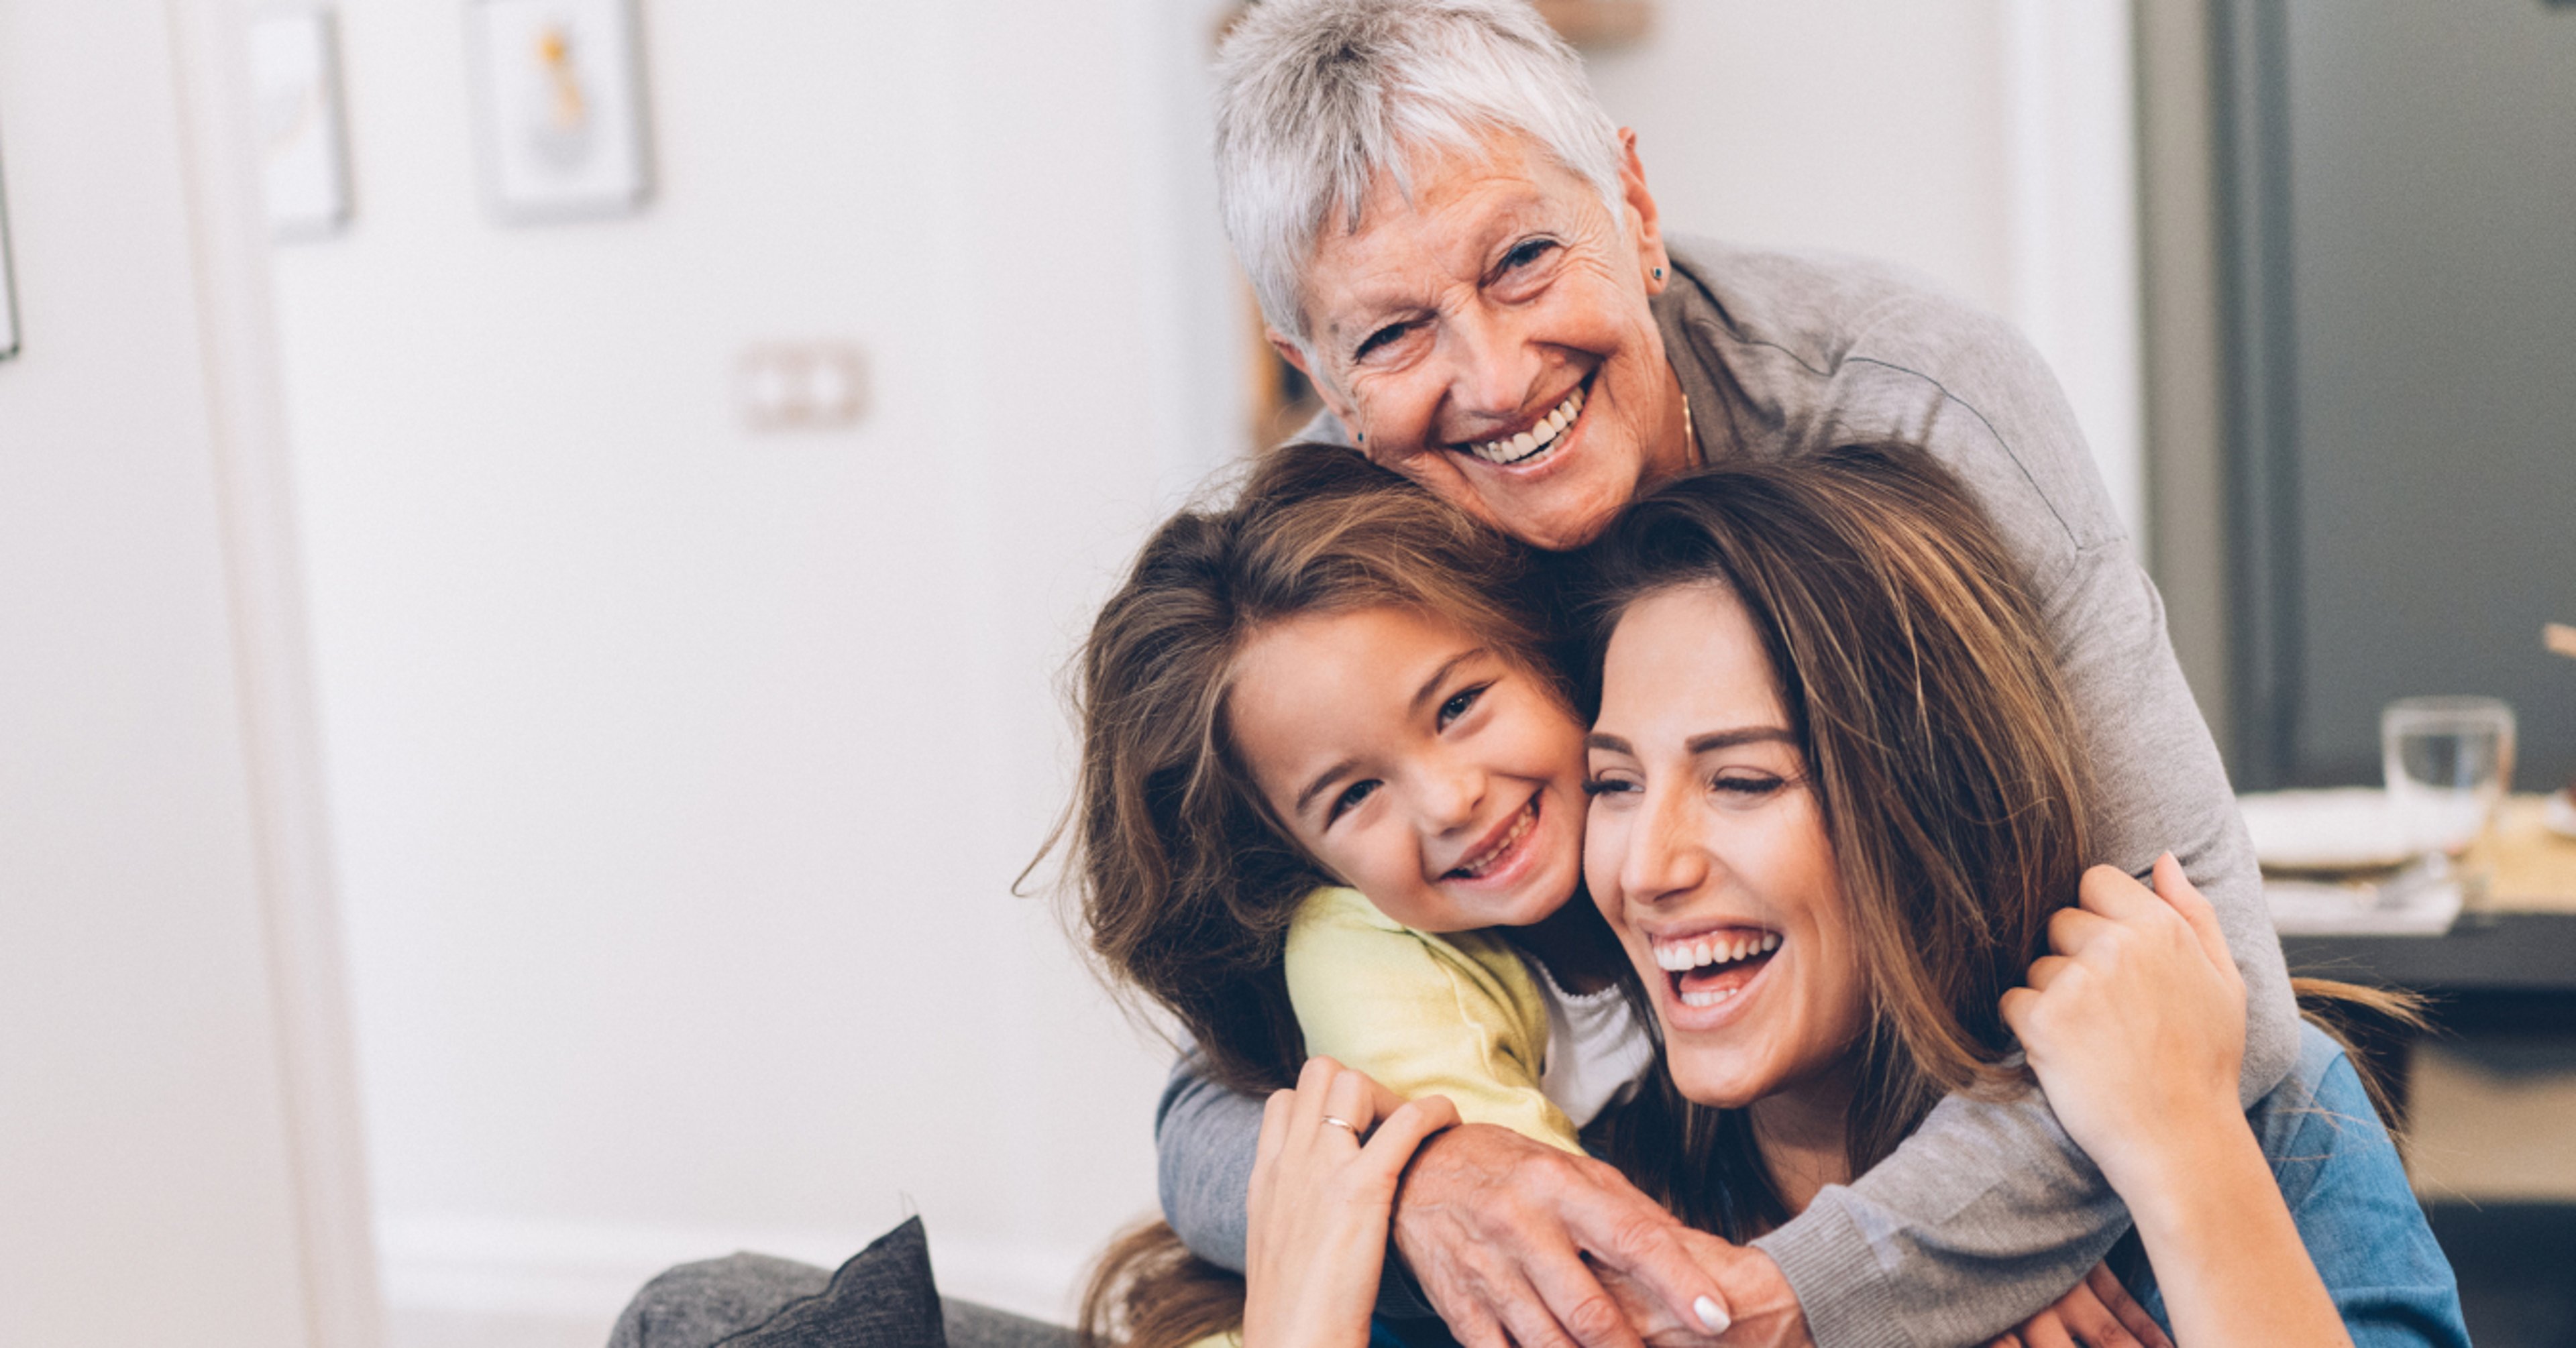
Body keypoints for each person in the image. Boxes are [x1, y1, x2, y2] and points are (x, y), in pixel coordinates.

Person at [1162, 4, 2303, 1345]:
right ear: (1324, 384)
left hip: (1993, 1106)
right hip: (1675, 1155)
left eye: (1524, 259)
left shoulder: (1915, 403)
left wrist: (1857, 1281)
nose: (1492, 376)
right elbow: (1204, 1115)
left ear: (1635, 209)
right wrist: (1423, 1174)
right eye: (1394, 337)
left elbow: (2214, 986)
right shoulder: (1350, 558)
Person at [1232, 444, 2463, 1348]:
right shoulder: (1595, 1188)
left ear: (1929, 804)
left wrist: (2188, 1154)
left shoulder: (2263, 1107)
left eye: (1745, 779)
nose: (1649, 865)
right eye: (1614, 782)